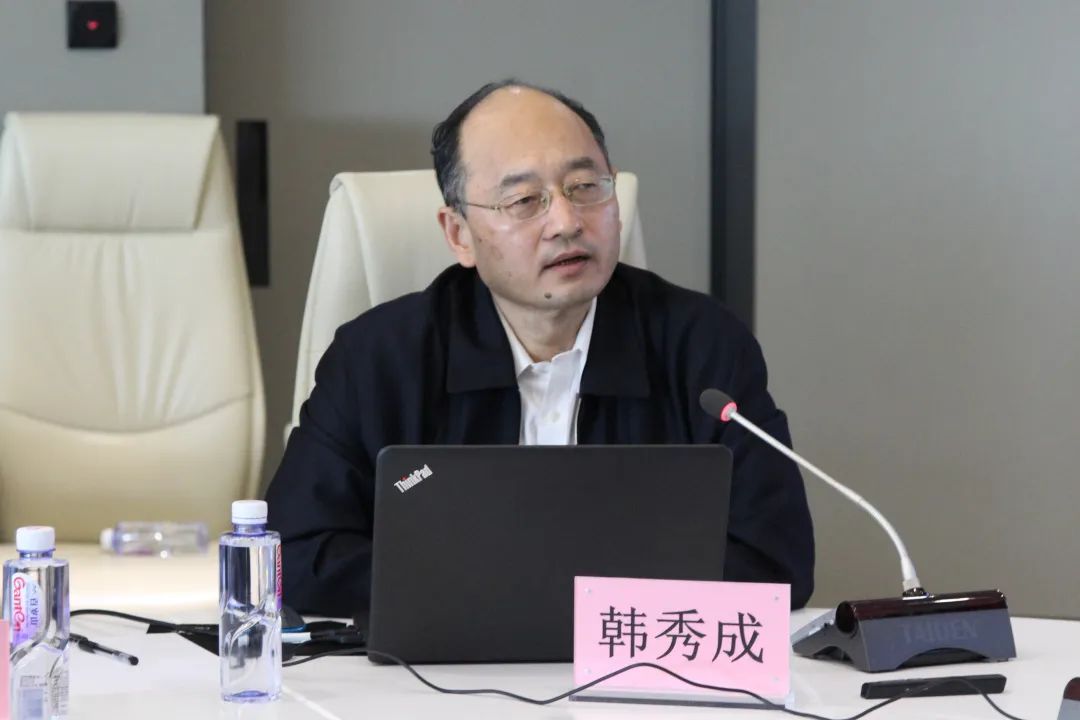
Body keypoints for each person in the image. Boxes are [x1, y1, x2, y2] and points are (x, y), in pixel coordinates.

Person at [266, 80, 814, 618]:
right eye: (525, 200)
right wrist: (508, 593)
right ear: (458, 234)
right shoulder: (378, 359)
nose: (567, 222)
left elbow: (776, 563)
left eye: (586, 187)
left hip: (634, 669)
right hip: (444, 667)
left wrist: (551, 594)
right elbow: (293, 552)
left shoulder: (703, 347)